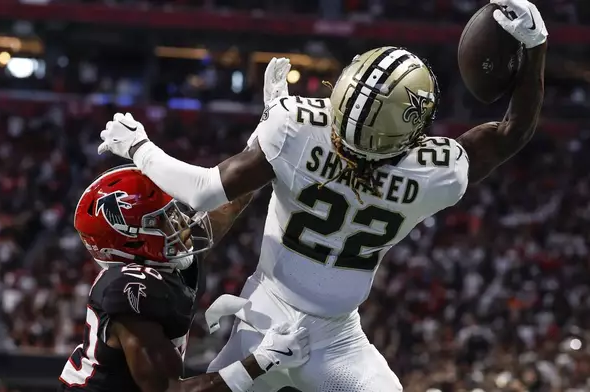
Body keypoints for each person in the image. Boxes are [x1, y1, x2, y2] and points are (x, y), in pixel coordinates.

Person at [96, 0, 548, 389]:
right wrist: (535, 45)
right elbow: (512, 132)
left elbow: (206, 189)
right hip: (332, 334)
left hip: (272, 315)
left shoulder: (295, 127)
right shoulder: (434, 173)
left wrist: (140, 146)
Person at [58, 165, 311, 392]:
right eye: (162, 219)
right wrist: (264, 359)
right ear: (130, 239)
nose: (180, 222)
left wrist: (266, 156)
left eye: (173, 211)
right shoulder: (129, 289)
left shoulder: (164, 261)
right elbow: (171, 391)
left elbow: (227, 207)